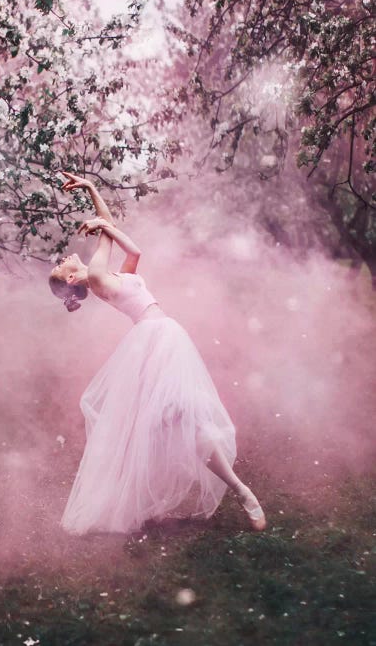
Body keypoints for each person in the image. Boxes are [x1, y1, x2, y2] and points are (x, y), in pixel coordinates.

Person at [49, 171, 266, 535]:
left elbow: (131, 250)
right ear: (72, 280)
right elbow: (110, 234)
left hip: (162, 335)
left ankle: (234, 491)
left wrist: (91, 190)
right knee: (181, 419)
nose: (64, 257)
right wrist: (100, 216)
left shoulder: (108, 274)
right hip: (156, 338)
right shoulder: (99, 275)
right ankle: (242, 492)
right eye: (61, 265)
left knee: (178, 420)